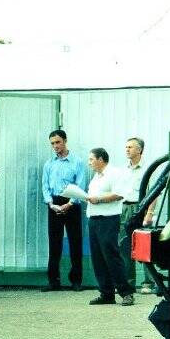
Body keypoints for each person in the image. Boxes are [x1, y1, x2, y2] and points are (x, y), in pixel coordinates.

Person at [85, 148, 134, 306]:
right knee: (98, 257)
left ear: (101, 159)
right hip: (94, 219)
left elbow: (119, 194)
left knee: (111, 255)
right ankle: (106, 293)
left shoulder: (114, 173)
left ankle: (126, 292)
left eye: (91, 159)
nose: (89, 162)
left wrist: (98, 199)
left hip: (108, 219)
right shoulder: (96, 177)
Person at [41, 130, 86, 292]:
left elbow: (80, 185)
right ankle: (53, 281)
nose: (55, 146)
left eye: (58, 142)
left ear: (65, 141)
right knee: (54, 243)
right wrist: (51, 204)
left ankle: (76, 281)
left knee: (75, 242)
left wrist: (70, 203)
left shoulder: (77, 162)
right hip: (54, 204)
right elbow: (45, 186)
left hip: (72, 204)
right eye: (52, 143)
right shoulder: (49, 164)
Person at [118, 137, 153, 294]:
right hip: (124, 208)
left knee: (144, 246)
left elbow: (153, 193)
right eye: (126, 147)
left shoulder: (148, 169)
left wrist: (149, 213)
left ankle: (148, 283)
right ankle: (128, 283)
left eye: (130, 147)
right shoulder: (123, 170)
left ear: (139, 150)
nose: (127, 150)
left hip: (140, 208)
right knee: (125, 247)